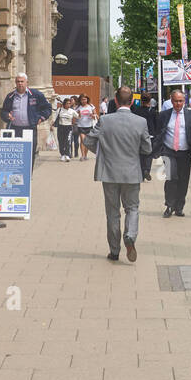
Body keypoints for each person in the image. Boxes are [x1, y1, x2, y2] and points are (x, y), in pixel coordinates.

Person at [87, 85, 152, 262]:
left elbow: (88, 140)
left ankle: (114, 250)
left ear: (115, 100)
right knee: (132, 208)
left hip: (108, 172)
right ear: (132, 101)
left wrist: (102, 153)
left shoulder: (105, 120)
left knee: (113, 212)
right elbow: (147, 148)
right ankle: (130, 235)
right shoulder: (141, 122)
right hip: (131, 172)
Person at [152, 88, 191, 216]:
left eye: (180, 101)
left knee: (183, 180)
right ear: (171, 100)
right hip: (169, 151)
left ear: (184, 101)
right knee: (171, 177)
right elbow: (159, 133)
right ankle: (169, 205)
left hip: (185, 152)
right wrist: (155, 149)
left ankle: (179, 206)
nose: (178, 104)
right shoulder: (164, 115)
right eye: (175, 101)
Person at [1, 72, 52, 172]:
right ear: (15, 83)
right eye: (18, 81)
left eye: (22, 81)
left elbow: (47, 108)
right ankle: (15, 173)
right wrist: (7, 116)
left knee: (29, 152)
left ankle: (28, 174)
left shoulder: (36, 95)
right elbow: (4, 111)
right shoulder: (10, 96)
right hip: (14, 129)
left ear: (27, 82)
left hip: (30, 129)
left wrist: (41, 118)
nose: (20, 84)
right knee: (14, 153)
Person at [134, 92, 158, 181]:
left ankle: (141, 171)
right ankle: (147, 169)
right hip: (150, 135)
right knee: (149, 154)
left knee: (140, 154)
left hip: (139, 135)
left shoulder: (136, 111)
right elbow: (156, 124)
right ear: (150, 101)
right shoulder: (153, 112)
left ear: (141, 100)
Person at [55, 97, 77, 161]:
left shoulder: (72, 111)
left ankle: (67, 155)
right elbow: (55, 118)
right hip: (61, 127)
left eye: (69, 103)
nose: (68, 105)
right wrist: (51, 125)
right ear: (64, 104)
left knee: (67, 141)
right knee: (61, 142)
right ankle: (62, 155)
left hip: (68, 127)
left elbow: (78, 116)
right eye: (67, 103)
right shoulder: (59, 110)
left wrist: (78, 116)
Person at [76, 94, 97, 159]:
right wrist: (78, 114)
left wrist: (93, 115)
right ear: (80, 100)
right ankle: (82, 155)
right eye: (82, 99)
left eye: (85, 99)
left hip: (89, 126)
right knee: (82, 140)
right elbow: (75, 117)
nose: (84, 101)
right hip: (81, 126)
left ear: (87, 99)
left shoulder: (91, 106)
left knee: (87, 141)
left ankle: (85, 155)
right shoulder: (78, 107)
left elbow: (95, 115)